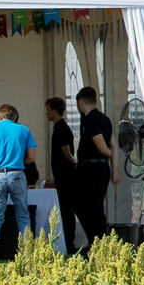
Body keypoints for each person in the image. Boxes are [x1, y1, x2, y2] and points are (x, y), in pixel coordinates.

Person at [0, 105, 40, 260]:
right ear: (15, 117)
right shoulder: (23, 130)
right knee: (23, 214)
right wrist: (18, 161)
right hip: (17, 174)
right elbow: (32, 157)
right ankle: (27, 248)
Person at [74, 87, 115, 245]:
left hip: (91, 169)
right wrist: (115, 169)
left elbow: (104, 148)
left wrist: (108, 154)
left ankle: (98, 242)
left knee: (92, 207)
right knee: (91, 206)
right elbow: (113, 146)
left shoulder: (92, 120)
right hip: (100, 168)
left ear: (81, 102)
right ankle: (96, 241)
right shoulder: (105, 119)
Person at [46, 96, 84, 254]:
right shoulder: (60, 128)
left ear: (54, 111)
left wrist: (76, 164)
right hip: (62, 175)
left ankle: (69, 242)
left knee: (67, 210)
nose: (46, 113)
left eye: (48, 110)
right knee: (66, 209)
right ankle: (68, 241)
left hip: (65, 177)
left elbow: (67, 154)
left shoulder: (61, 129)